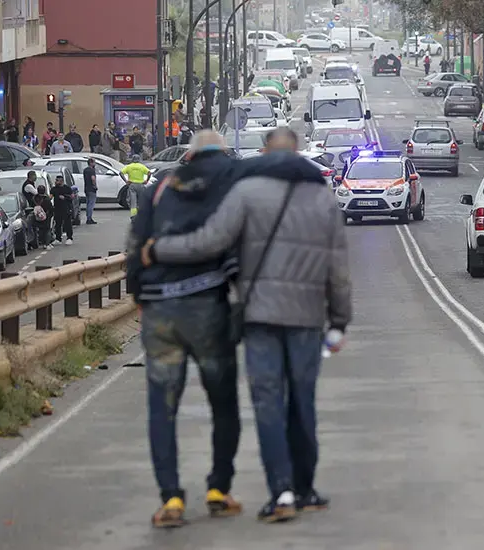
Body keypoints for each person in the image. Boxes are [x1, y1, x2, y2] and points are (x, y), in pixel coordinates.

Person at [142, 135, 352, 524]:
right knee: (301, 401)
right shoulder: (322, 197)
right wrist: (339, 319)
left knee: (267, 403)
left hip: (258, 316)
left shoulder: (245, 191)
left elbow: (211, 241)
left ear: (265, 155)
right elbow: (338, 267)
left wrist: (158, 251)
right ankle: (300, 488)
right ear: (298, 150)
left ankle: (281, 491)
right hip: (306, 317)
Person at [126, 131, 245, 528]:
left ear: (189, 154)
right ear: (222, 151)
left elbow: (135, 243)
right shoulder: (233, 177)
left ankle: (171, 500)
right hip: (207, 304)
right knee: (223, 400)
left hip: (160, 307)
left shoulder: (161, 186)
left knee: (162, 407)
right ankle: (217, 488)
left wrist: (139, 294)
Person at [122, 154, 152, 220]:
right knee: (141, 201)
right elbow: (149, 173)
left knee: (133, 202)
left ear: (132, 159)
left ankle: (133, 216)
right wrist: (146, 180)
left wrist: (126, 181)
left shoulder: (129, 166)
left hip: (132, 185)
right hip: (141, 185)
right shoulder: (142, 166)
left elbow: (121, 173)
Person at [49, 175, 74, 245]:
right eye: (55, 180)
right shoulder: (54, 189)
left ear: (61, 181)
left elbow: (72, 197)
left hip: (66, 208)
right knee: (58, 224)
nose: (55, 182)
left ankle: (69, 238)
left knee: (67, 223)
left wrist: (65, 197)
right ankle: (58, 239)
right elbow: (50, 197)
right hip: (57, 209)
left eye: (57, 180)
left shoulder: (67, 188)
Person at [33, 185, 54, 250]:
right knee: (47, 230)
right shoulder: (47, 199)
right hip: (46, 217)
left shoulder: (35, 198)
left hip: (38, 217)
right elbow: (50, 208)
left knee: (41, 230)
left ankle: (43, 243)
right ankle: (47, 243)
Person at [83, 158, 99, 224]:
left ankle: (88, 217)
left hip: (86, 188)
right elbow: (93, 178)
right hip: (91, 189)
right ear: (91, 163)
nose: (95, 164)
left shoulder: (85, 170)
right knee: (91, 204)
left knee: (88, 203)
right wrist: (95, 186)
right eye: (94, 162)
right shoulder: (92, 170)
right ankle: (89, 218)